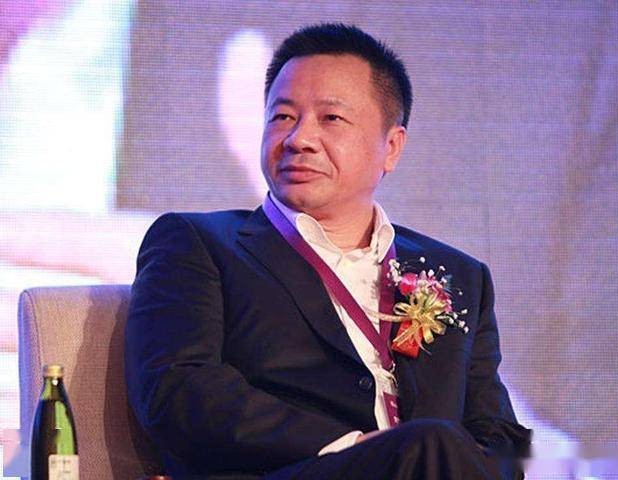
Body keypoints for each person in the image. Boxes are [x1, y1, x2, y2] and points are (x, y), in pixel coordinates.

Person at [125, 23, 530, 480]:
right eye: (282, 117)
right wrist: (354, 447)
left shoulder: (458, 275)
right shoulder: (198, 245)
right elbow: (178, 392)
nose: (299, 138)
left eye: (330, 118)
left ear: (391, 147)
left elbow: (498, 433)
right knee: (430, 446)